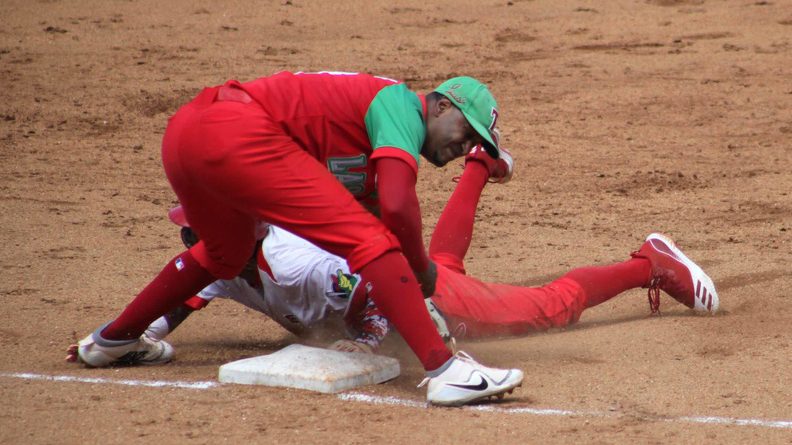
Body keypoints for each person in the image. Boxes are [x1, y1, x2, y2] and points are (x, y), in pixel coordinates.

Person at [72, 71, 523, 406]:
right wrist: (421, 270)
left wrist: (406, 281)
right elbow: (398, 206)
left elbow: (375, 217)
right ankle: (444, 370)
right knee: (370, 240)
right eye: (467, 132)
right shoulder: (399, 103)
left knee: (226, 254)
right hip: (235, 127)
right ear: (441, 106)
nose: (465, 145)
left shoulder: (363, 146)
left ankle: (115, 340)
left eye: (475, 144)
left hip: (187, 136)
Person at [69, 143, 719, 365]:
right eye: (191, 230)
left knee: (544, 308)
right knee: (447, 261)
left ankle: (649, 263)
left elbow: (375, 305)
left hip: (407, 291)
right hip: (394, 265)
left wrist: (372, 341)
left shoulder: (296, 260)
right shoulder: (221, 263)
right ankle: (480, 166)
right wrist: (126, 337)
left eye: (199, 228)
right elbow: (168, 311)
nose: (191, 239)